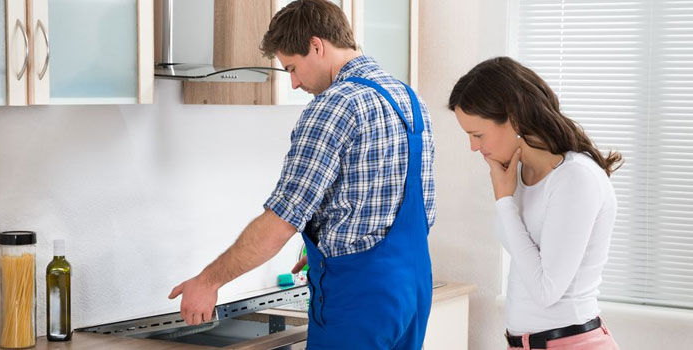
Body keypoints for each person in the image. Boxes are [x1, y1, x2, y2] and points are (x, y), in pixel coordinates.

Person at [168, 0, 436, 349]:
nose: (293, 83)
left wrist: (208, 281)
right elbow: (395, 201)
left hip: (359, 299)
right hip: (413, 290)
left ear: (316, 46)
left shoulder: (333, 106)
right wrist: (335, 242)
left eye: (292, 67)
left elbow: (281, 222)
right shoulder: (410, 99)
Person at [448, 56, 622, 350]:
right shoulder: (517, 175)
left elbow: (546, 290)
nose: (474, 147)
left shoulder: (575, 177)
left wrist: (504, 201)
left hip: (571, 343)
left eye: (478, 134)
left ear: (513, 118)